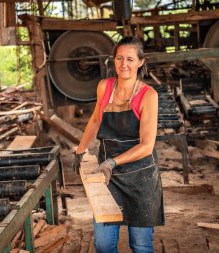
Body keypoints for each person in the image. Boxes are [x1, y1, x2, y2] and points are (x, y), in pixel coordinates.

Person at [73, 36, 164, 253]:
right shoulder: (105, 87)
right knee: (103, 245)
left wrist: (112, 162)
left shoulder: (148, 95)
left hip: (140, 176)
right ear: (113, 60)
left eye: (130, 59)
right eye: (120, 58)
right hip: (108, 176)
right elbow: (96, 119)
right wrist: (80, 149)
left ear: (141, 62)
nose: (124, 64)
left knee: (140, 245)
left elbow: (147, 146)